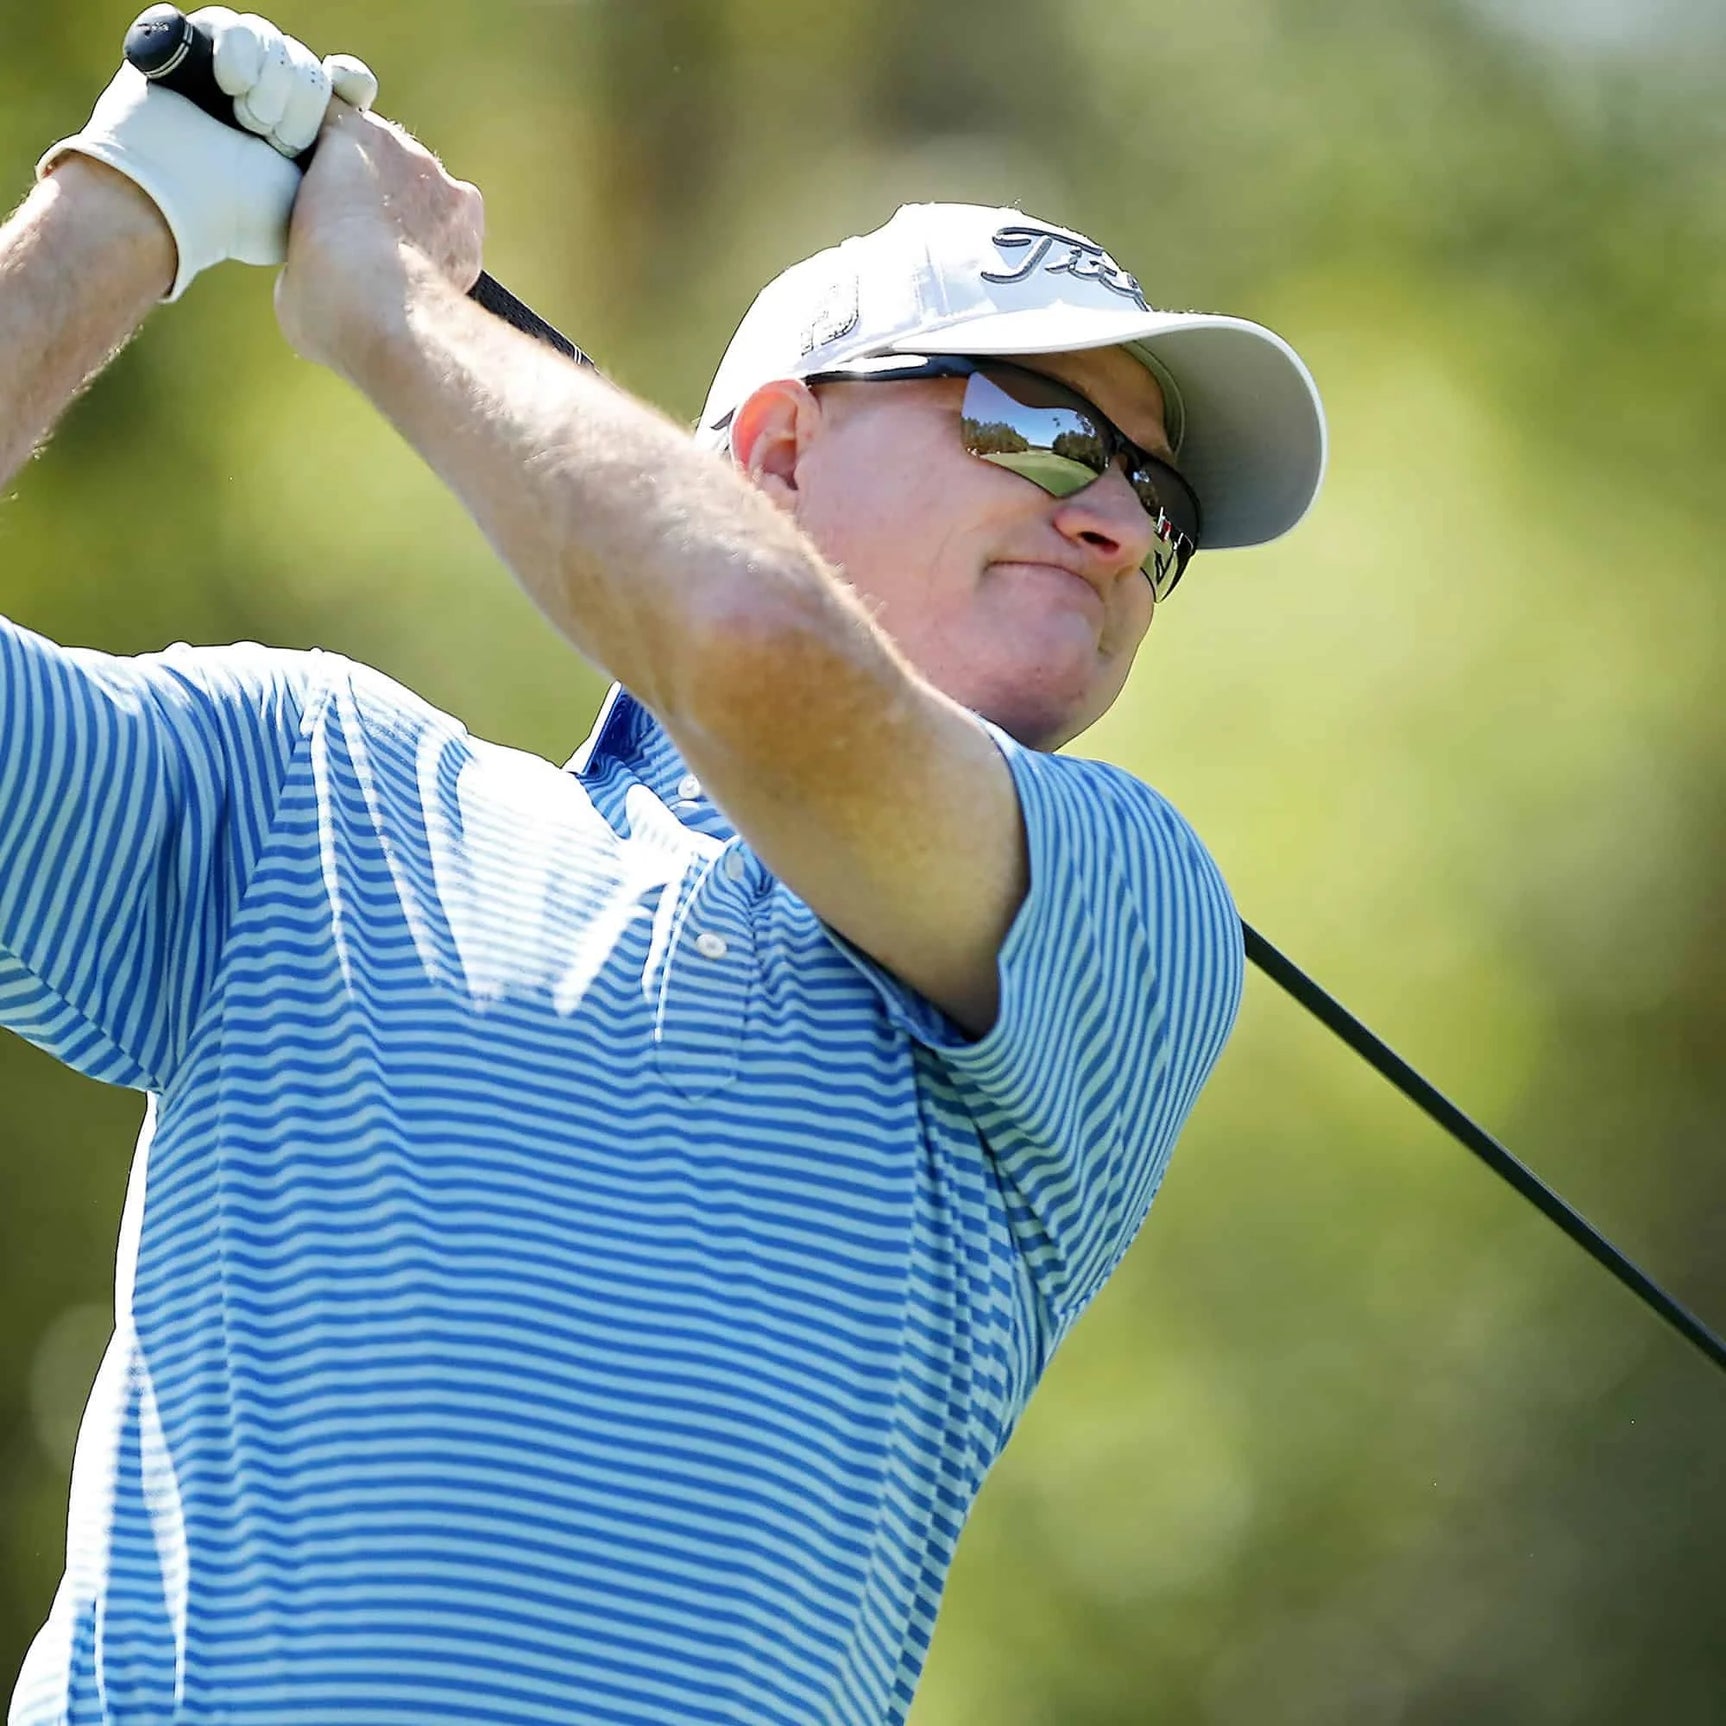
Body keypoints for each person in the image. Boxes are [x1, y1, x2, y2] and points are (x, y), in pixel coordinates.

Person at [2, 13, 1324, 1725]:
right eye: (1044, 431)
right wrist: (123, 214)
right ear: (773, 452)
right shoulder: (300, 792)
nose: (1113, 526)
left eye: (1161, 507)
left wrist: (389, 300)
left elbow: (754, 649)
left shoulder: (1124, 915)